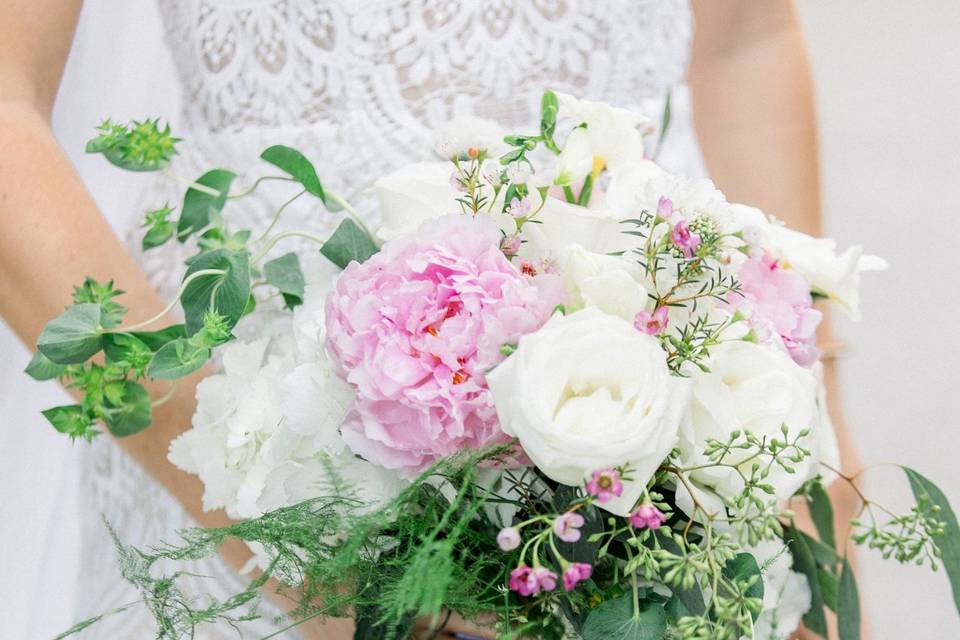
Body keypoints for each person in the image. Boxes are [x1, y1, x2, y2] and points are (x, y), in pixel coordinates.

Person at [0, 1, 857, 637]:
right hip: (268, 431)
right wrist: (263, 530)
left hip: (670, 412)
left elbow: (747, 36)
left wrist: (806, 409)